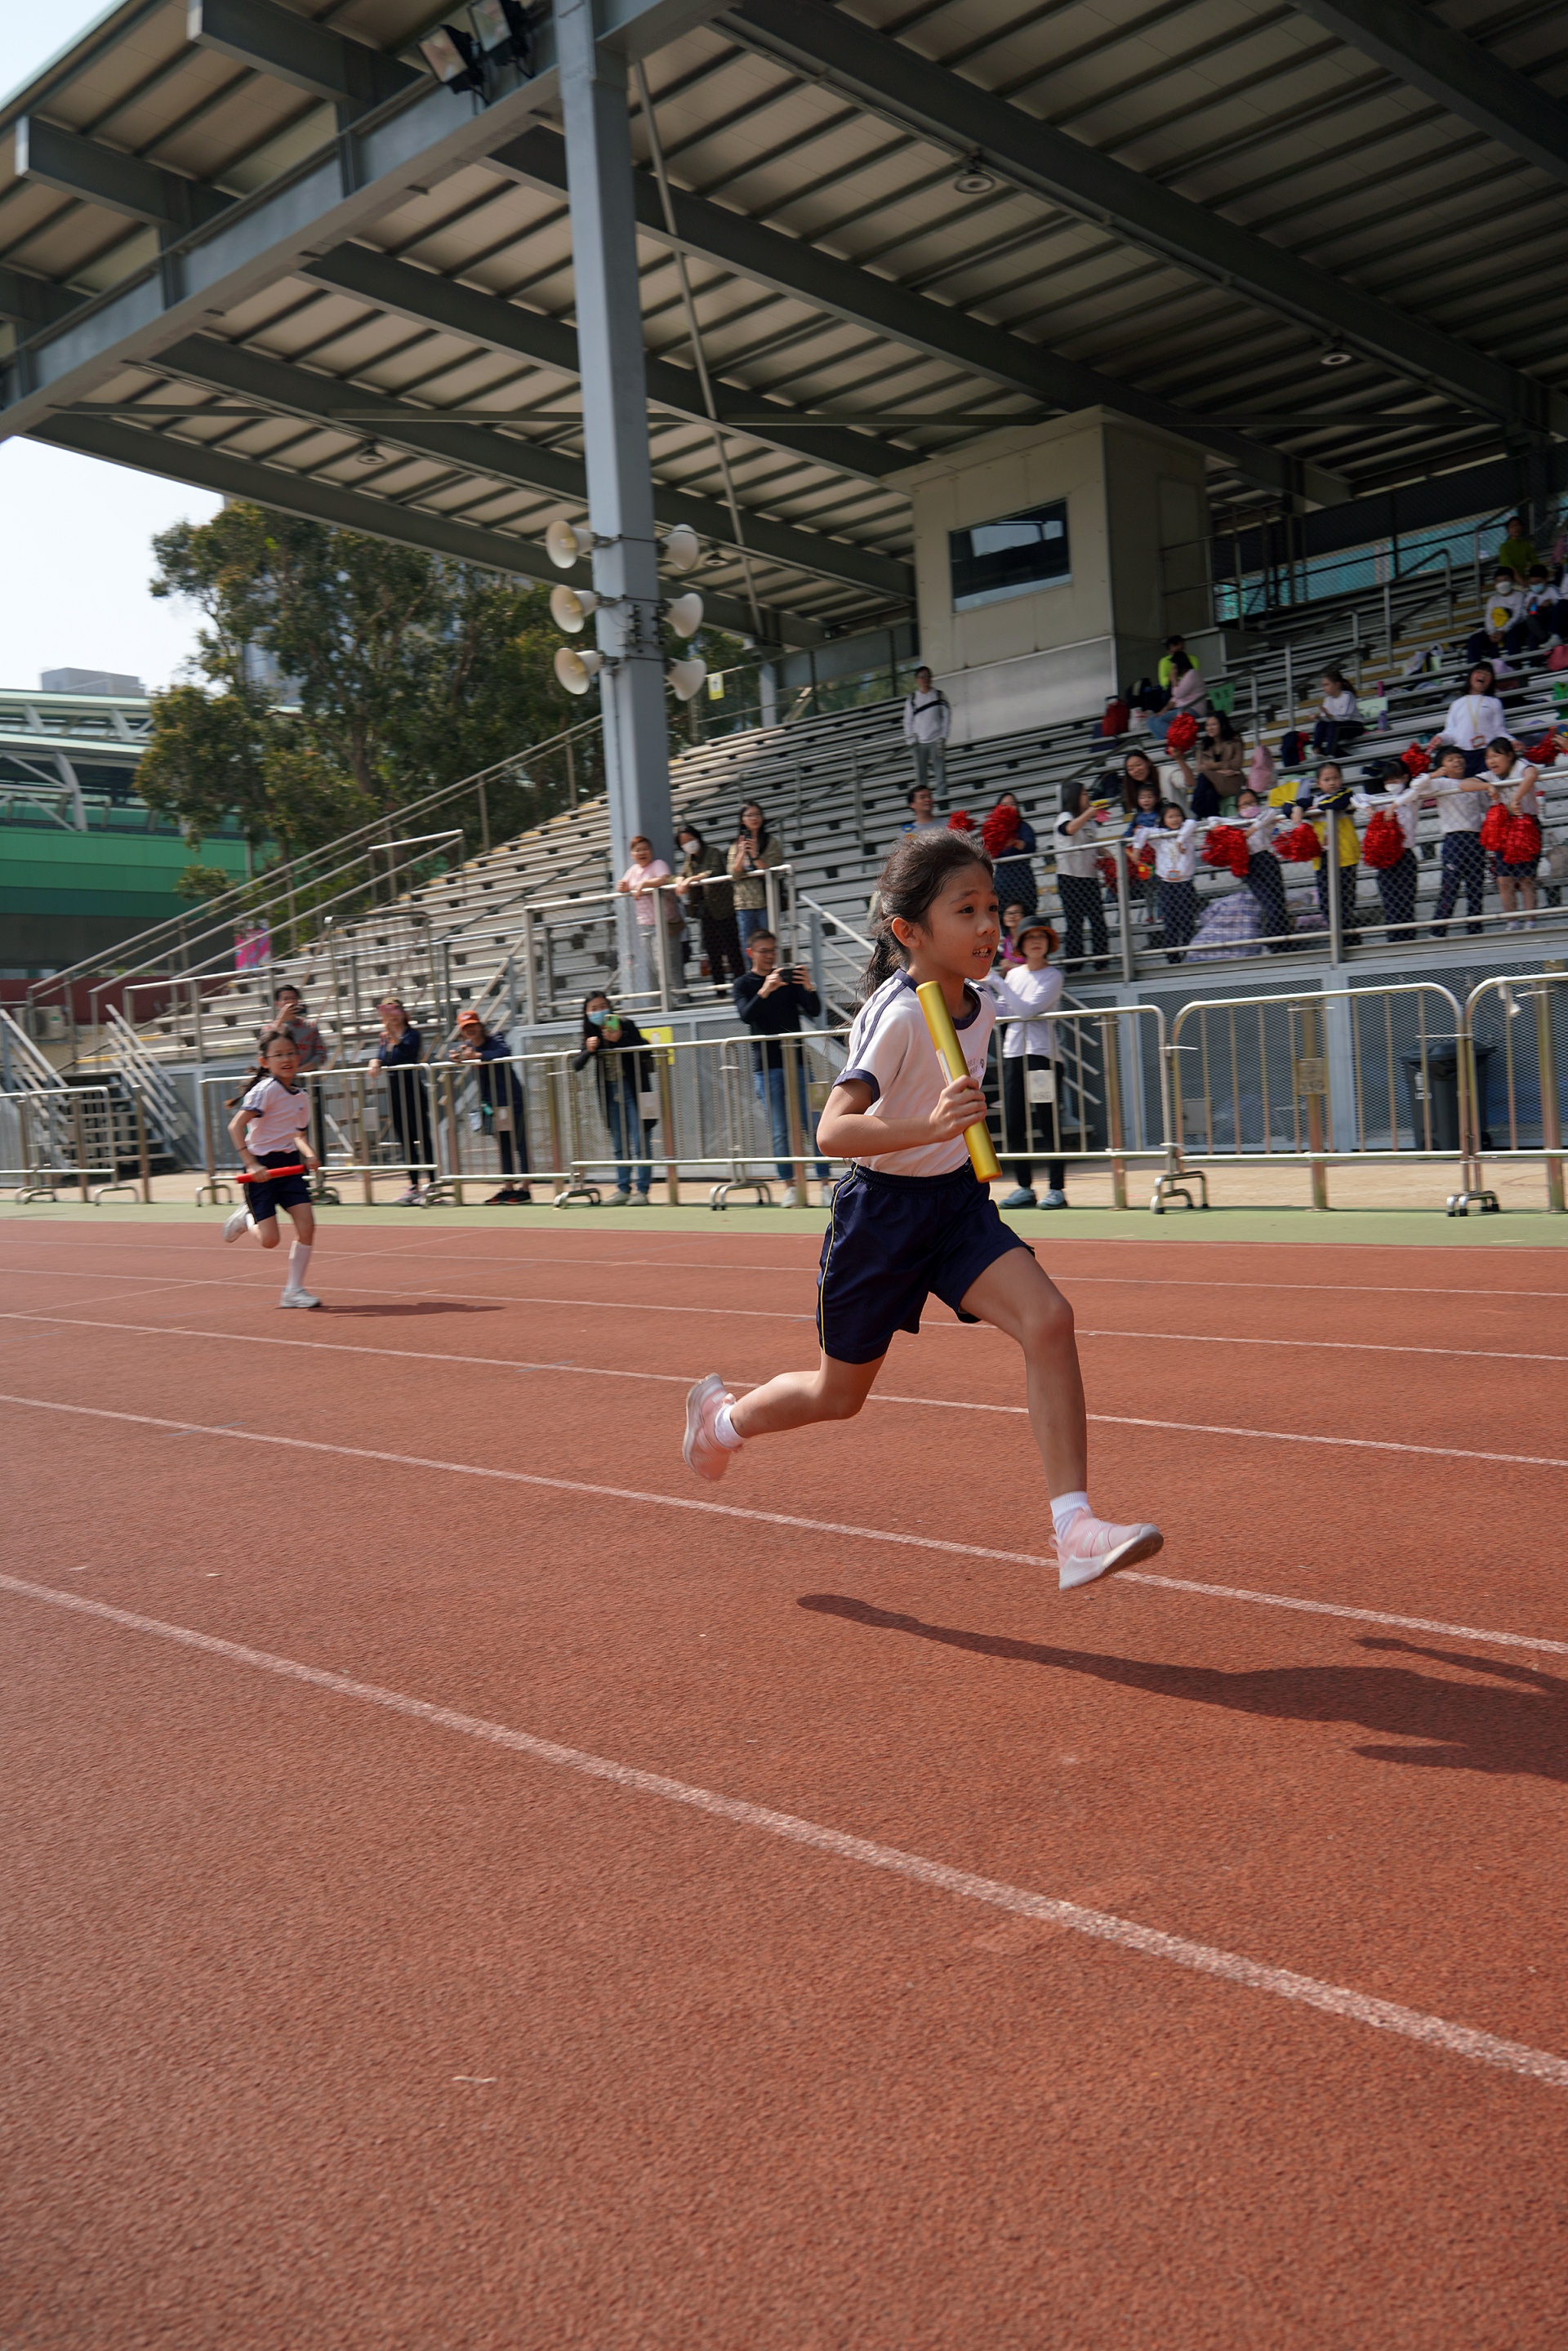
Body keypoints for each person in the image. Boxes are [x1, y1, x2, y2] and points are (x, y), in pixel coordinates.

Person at [680, 828, 1163, 1593]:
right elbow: (833, 1131)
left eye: (992, 908)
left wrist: (946, 1138)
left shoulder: (985, 1003)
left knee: (1049, 1319)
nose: (988, 926)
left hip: (955, 1206)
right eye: (965, 910)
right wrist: (932, 1126)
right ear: (909, 930)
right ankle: (722, 1422)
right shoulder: (899, 1014)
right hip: (880, 1218)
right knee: (838, 1395)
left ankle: (1073, 1527)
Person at [221, 1026, 323, 1307]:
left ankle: (293, 1291)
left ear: (299, 1056)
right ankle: (247, 1217)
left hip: (288, 1167)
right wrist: (251, 1164)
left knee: (307, 1225)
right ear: (265, 1061)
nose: (286, 1059)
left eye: (290, 1053)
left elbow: (298, 1135)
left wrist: (309, 1155)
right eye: (278, 1055)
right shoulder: (265, 1090)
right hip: (261, 1168)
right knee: (269, 1240)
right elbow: (236, 1126)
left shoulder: (301, 1097)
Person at [733, 930, 830, 1206]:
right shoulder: (743, 984)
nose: (770, 956)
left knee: (816, 1124)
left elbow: (814, 1010)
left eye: (773, 950)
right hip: (767, 1066)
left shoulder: (788, 979)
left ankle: (824, 1183)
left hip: (799, 1063)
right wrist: (765, 990)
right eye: (763, 951)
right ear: (751, 953)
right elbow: (746, 1015)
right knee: (779, 1129)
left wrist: (808, 986)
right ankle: (789, 1186)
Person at [996, 911, 1068, 1210]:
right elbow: (1003, 1010)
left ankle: (1056, 1189)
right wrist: (981, 990)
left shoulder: (1053, 976)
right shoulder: (1014, 976)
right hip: (1013, 1054)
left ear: (1049, 943)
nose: (1036, 942)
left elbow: (1027, 1010)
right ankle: (1024, 1187)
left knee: (1047, 1121)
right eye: (1030, 937)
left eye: (1041, 937)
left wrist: (996, 983)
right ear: (1021, 944)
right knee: (1014, 1123)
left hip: (1042, 1056)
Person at [572, 992, 657, 1203]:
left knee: (641, 1141)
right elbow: (576, 1065)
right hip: (609, 1091)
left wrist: (620, 1039)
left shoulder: (625, 1024)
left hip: (635, 1089)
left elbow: (644, 1050)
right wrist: (589, 1050)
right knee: (619, 1143)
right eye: (593, 1009)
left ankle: (642, 1191)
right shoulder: (590, 1033)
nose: (599, 1012)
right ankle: (623, 1189)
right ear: (586, 1013)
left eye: (602, 1006)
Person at [451, 1007, 532, 1204]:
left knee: (520, 1144)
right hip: (492, 1104)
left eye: (473, 1025)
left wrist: (477, 1056)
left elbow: (504, 1052)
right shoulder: (468, 1047)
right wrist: (455, 1058)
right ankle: (509, 1188)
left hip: (511, 1099)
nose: (470, 1030)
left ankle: (525, 1189)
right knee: (504, 1146)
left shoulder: (495, 1038)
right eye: (466, 1027)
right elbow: (456, 1056)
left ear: (480, 1026)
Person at [1414, 745, 1490, 937]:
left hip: (1476, 838)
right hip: (1454, 840)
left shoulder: (1474, 783)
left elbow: (1487, 807)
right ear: (1442, 766)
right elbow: (1417, 786)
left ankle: (1475, 929)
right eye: (1450, 759)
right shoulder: (1441, 783)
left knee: (1476, 887)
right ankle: (1438, 930)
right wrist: (1435, 774)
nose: (1457, 761)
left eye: (1459, 757)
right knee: (1450, 887)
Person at [368, 998, 432, 1205]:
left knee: (423, 1138)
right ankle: (413, 1186)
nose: (392, 1016)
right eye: (387, 1011)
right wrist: (375, 1061)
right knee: (405, 1140)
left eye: (395, 1010)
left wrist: (391, 1031)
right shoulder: (384, 1037)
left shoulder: (413, 1034)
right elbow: (383, 1057)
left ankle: (432, 1184)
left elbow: (406, 1052)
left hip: (412, 1090)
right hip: (395, 1092)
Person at [1352, 762, 1419, 944]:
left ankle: (1409, 940)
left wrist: (1393, 807)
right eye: (1388, 781)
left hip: (1405, 855)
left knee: (1406, 899)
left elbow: (1417, 788)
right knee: (1390, 900)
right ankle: (1394, 939)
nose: (1391, 784)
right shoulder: (1381, 799)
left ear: (1404, 778)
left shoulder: (1410, 798)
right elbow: (1356, 798)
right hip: (1386, 857)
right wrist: (1368, 808)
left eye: (1395, 780)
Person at [674, 821, 744, 987]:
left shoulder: (713, 852)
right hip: (705, 911)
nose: (688, 844)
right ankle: (719, 989)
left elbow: (714, 871)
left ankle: (740, 984)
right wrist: (680, 881)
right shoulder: (689, 860)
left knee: (732, 948)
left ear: (697, 837)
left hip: (724, 909)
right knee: (712, 951)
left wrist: (691, 879)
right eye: (683, 842)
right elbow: (681, 875)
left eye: (690, 839)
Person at [1053, 779, 1111, 969]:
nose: (1088, 797)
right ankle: (1074, 964)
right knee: (1075, 922)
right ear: (1075, 797)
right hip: (1070, 877)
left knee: (1098, 921)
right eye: (1084, 794)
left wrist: (1105, 853)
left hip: (1090, 877)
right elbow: (1069, 829)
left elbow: (1091, 843)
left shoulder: (1090, 822)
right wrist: (1089, 813)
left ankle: (1101, 961)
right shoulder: (1065, 816)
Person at [269, 982, 327, 1170]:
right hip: (281, 1089)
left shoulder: (310, 1027)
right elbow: (265, 1046)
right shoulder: (271, 1028)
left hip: (308, 1085)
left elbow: (321, 1055)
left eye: (294, 999)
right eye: (286, 999)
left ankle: (319, 1174)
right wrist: (281, 1020)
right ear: (278, 1004)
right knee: (286, 1130)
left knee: (314, 1130)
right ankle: (295, 1172)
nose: (291, 1003)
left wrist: (299, 1070)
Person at [1484, 737, 1542, 926]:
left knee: (1526, 879)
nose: (1492, 761)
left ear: (1509, 756)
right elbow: (1465, 784)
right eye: (1488, 757)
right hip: (1504, 829)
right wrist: (1487, 786)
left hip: (1526, 826)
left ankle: (1530, 923)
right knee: (1504, 879)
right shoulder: (1491, 776)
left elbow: (1531, 775)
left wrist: (1516, 800)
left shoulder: (1520, 766)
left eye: (1496, 756)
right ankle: (1512, 923)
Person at [617, 833, 677, 995]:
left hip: (663, 923)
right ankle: (665, 999)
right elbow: (624, 886)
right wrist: (622, 886)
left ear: (651, 851)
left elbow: (664, 879)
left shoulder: (658, 864)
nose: (642, 853)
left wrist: (643, 884)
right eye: (638, 850)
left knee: (665, 965)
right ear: (632, 854)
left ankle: (678, 999)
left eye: (645, 849)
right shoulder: (633, 870)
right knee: (653, 966)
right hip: (644, 925)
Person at [1306, 766, 1361, 945]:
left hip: (1345, 857)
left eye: (1336, 778)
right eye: (1327, 780)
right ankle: (1341, 940)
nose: (1332, 783)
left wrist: (1317, 808)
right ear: (1318, 783)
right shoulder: (1313, 799)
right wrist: (1299, 809)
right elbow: (1288, 805)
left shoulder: (1346, 794)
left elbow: (1336, 803)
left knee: (1344, 901)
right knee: (1326, 904)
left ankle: (1350, 941)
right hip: (1322, 858)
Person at [1235, 787, 1292, 951]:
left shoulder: (1262, 818)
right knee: (1270, 905)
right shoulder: (1236, 824)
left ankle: (1284, 943)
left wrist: (1253, 828)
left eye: (1253, 802)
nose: (1250, 806)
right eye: (1245, 804)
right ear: (1238, 808)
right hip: (1251, 865)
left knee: (1279, 903)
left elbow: (1272, 812)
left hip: (1268, 860)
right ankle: (1273, 943)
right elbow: (1213, 820)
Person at [1428, 665, 1511, 775]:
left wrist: (1512, 741)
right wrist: (1441, 738)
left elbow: (1499, 730)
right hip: (1463, 753)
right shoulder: (1457, 704)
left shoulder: (1494, 702)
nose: (1483, 676)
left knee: (1488, 782)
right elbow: (1451, 732)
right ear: (1471, 676)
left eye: (1488, 674)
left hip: (1488, 752)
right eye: (1479, 672)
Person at [727, 801, 782, 951]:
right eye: (749, 815)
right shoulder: (736, 845)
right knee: (749, 948)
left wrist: (754, 855)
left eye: (758, 814)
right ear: (742, 820)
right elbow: (734, 874)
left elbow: (772, 869)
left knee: (770, 946)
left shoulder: (771, 842)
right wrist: (741, 853)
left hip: (766, 902)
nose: (754, 818)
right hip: (744, 904)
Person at [1150, 801, 1201, 960]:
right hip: (1167, 885)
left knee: (1186, 919)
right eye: (1170, 816)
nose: (1175, 819)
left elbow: (1192, 822)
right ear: (1163, 820)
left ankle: (1189, 951)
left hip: (1185, 884)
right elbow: (1143, 832)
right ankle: (1172, 954)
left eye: (1178, 815)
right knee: (1170, 920)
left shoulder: (1188, 834)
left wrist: (1180, 840)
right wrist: (1137, 848)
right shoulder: (1159, 837)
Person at [981, 795, 1038, 920]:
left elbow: (1031, 847)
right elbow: (987, 850)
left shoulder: (1023, 827)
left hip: (1023, 877)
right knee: (1004, 916)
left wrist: (1014, 842)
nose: (1009, 807)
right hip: (1004, 879)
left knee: (1027, 915)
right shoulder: (993, 829)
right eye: (1004, 805)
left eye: (1013, 804)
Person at [902, 665, 950, 797]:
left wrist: (943, 736)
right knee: (921, 777)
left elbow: (946, 716)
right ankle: (923, 800)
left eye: (927, 676)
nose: (925, 679)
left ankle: (943, 799)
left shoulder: (939, 695)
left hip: (936, 739)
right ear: (917, 680)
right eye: (922, 677)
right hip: (919, 742)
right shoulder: (912, 699)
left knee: (940, 773)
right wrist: (910, 741)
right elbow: (908, 721)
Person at [1144, 650, 1205, 745]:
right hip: (1181, 709)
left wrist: (1173, 680)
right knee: (1151, 720)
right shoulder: (1183, 679)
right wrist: (1164, 710)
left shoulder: (1192, 674)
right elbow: (1174, 699)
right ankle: (1169, 744)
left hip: (1192, 709)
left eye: (1174, 667)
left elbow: (1179, 694)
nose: (1172, 670)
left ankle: (1179, 742)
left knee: (1160, 721)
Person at [1187, 712, 1242, 816]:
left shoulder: (1234, 741)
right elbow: (1200, 768)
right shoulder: (1203, 745)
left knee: (1204, 777)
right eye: (1208, 725)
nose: (1210, 728)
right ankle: (1212, 819)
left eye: (1214, 724)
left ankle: (1195, 810)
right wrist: (1219, 771)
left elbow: (1236, 765)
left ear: (1222, 725)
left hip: (1230, 779)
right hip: (1211, 783)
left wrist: (1210, 767)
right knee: (1210, 794)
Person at [1467, 574, 1524, 669]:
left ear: (1511, 581)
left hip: (1513, 628)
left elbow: (1517, 616)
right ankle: (1473, 669)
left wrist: (1503, 630)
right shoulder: (1493, 600)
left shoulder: (1519, 595)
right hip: (1494, 632)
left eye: (1505, 579)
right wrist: (1492, 633)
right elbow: (1488, 619)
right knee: (1474, 639)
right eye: (1499, 581)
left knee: (1514, 634)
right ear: (1495, 583)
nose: (1502, 583)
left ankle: (1515, 666)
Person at [1311, 670, 1362, 759]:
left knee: (1333, 726)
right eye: (1324, 685)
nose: (1324, 688)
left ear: (1337, 685)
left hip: (1354, 726)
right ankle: (1316, 752)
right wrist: (1319, 717)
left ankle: (1330, 754)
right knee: (1321, 725)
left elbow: (1345, 717)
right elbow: (1327, 718)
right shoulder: (1328, 699)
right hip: (1336, 726)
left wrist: (1329, 716)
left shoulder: (1347, 696)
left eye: (1327, 685)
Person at [1491, 514, 1536, 580]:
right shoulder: (1504, 547)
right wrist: (1522, 582)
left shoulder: (1526, 545)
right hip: (1509, 580)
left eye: (1518, 525)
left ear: (1522, 528)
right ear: (1508, 531)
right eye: (1512, 526)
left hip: (1523, 578)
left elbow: (1534, 561)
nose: (1516, 528)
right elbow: (1509, 566)